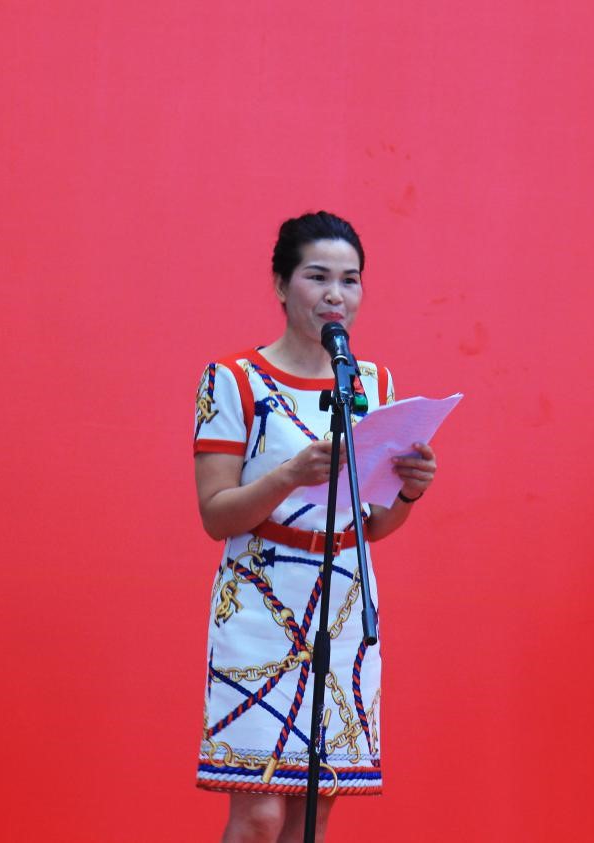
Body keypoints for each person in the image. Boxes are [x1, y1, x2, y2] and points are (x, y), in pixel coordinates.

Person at [193, 211, 438, 842]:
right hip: (260, 604)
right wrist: (289, 475)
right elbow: (216, 514)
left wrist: (410, 489)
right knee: (259, 811)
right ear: (281, 285)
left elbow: (374, 523)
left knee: (316, 809)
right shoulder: (234, 379)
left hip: (345, 601)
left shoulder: (373, 383)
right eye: (317, 276)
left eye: (350, 280)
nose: (336, 295)